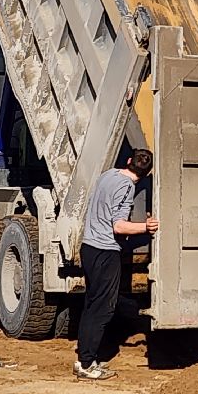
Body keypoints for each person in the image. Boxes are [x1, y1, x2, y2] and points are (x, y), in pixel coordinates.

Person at [74, 149, 158, 381]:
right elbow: (119, 227)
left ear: (129, 161)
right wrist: (146, 227)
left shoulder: (108, 174)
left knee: (91, 305)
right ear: (146, 173)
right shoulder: (127, 187)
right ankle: (87, 364)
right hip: (105, 252)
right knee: (103, 309)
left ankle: (84, 357)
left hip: (89, 248)